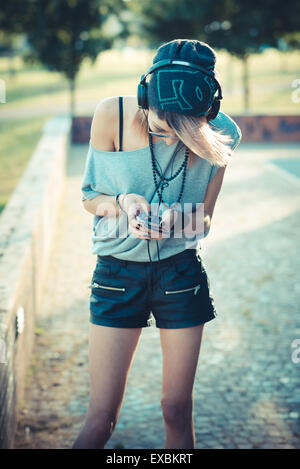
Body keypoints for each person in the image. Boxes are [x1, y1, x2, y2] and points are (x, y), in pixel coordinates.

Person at [72, 39, 242, 449]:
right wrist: (122, 204)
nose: (161, 130)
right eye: (157, 118)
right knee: (100, 419)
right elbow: (89, 196)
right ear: (146, 93)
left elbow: (204, 218)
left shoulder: (223, 133)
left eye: (173, 124)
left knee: (176, 409)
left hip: (180, 274)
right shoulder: (110, 114)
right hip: (115, 274)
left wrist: (177, 221)